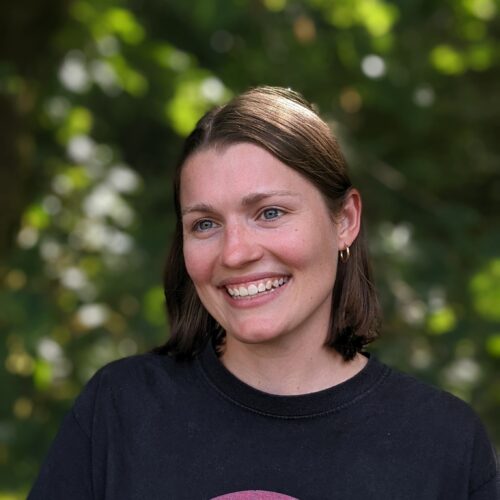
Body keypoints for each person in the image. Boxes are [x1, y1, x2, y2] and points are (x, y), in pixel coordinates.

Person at [29, 86, 498, 499]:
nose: (235, 253)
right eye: (205, 224)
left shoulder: (443, 443)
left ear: (345, 221)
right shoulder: (121, 410)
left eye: (269, 213)